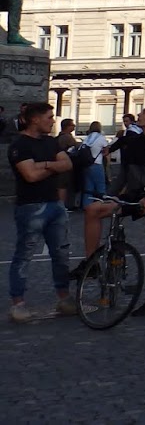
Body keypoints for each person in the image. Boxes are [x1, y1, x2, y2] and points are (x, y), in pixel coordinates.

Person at [78, 104, 145, 316]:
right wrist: (108, 195)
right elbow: (123, 175)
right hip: (132, 195)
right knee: (93, 210)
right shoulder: (132, 143)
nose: (139, 114)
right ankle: (91, 263)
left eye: (144, 112)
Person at [9, 102, 78, 322]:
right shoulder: (19, 144)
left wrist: (43, 165)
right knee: (24, 254)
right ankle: (18, 303)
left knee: (61, 253)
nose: (52, 121)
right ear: (35, 119)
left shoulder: (51, 141)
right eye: (49, 117)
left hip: (55, 203)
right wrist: (52, 165)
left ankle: (64, 298)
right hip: (30, 206)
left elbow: (67, 164)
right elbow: (30, 176)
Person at [80, 121, 108, 206]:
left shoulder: (87, 138)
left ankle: (86, 205)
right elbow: (106, 151)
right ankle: (101, 205)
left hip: (86, 164)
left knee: (88, 187)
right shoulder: (101, 138)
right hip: (97, 163)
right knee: (100, 186)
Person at [55, 118, 80, 209]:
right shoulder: (67, 137)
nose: (74, 126)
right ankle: (62, 206)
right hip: (65, 164)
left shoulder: (59, 137)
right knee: (63, 185)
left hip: (60, 163)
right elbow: (76, 147)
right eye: (72, 125)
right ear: (67, 126)